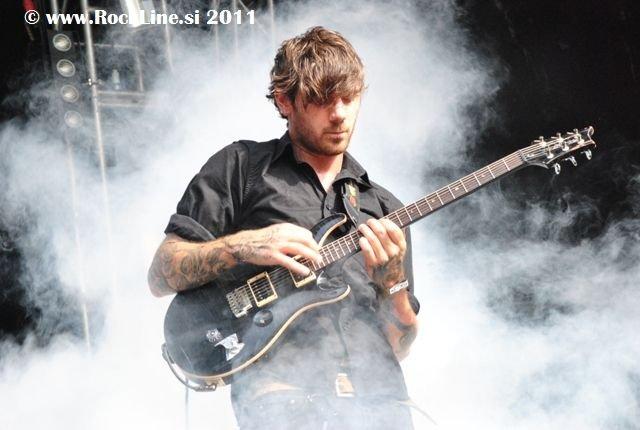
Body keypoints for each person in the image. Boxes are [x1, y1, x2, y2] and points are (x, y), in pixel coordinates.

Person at [148, 26, 420, 430]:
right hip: (283, 402)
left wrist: (393, 284)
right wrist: (243, 247)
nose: (339, 114)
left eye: (349, 98)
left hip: (382, 405)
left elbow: (398, 348)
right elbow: (161, 274)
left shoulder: (383, 208)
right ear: (284, 101)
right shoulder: (241, 168)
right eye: (322, 100)